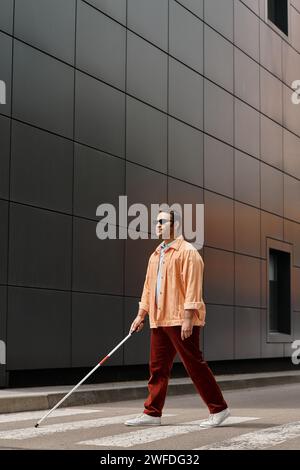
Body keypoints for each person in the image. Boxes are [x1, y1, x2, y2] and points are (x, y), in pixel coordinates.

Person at [125, 208, 230, 428]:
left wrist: (188, 317)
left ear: (176, 225)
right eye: (157, 222)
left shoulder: (188, 252)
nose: (158, 225)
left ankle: (219, 409)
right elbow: (148, 288)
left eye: (163, 221)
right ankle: (152, 413)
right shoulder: (155, 255)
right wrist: (140, 315)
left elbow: (193, 287)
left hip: (180, 319)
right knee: (157, 368)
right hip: (159, 319)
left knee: (194, 365)